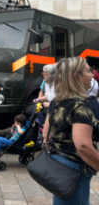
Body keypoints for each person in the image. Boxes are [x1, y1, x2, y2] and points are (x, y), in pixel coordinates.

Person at [42, 57, 99, 205]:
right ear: (76, 76)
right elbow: (83, 146)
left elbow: (45, 132)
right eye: (88, 71)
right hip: (74, 170)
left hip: (57, 165)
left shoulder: (57, 101)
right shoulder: (81, 105)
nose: (92, 75)